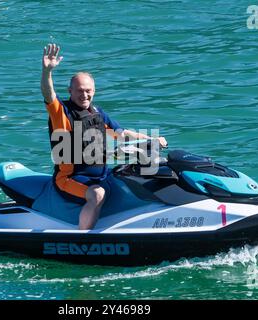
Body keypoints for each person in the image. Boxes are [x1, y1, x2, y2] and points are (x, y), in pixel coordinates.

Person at [40, 43, 167, 230]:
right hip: (70, 178)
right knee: (97, 194)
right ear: (70, 91)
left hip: (102, 174)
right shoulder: (62, 112)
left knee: (138, 172)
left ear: (94, 91)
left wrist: (151, 140)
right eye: (80, 90)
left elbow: (122, 133)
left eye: (88, 90)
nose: (84, 94)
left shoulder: (97, 112)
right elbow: (48, 93)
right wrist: (47, 71)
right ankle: (83, 239)